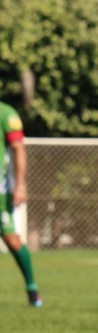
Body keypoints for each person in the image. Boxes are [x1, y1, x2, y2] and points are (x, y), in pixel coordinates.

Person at [0, 100, 42, 307]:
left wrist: (19, 185)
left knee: (12, 240)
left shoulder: (6, 113)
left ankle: (32, 288)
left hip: (1, 190)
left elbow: (18, 148)